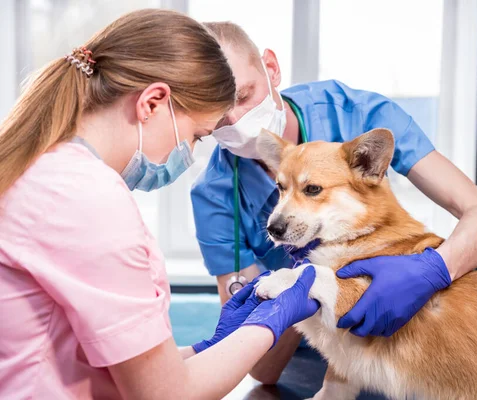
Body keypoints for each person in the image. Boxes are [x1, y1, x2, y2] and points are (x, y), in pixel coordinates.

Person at [0, 10, 319, 400]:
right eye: (197, 136)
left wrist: (206, 349)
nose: (188, 155)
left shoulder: (46, 171)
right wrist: (274, 317)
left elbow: (92, 365)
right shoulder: (88, 200)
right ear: (152, 103)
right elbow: (165, 395)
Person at [191, 22, 477, 384]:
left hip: (397, 338)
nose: (236, 121)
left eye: (245, 96)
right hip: (305, 354)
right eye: (217, 115)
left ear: (271, 68)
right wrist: (303, 288)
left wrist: (432, 270)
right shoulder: (213, 194)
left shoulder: (356, 114)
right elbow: (262, 369)